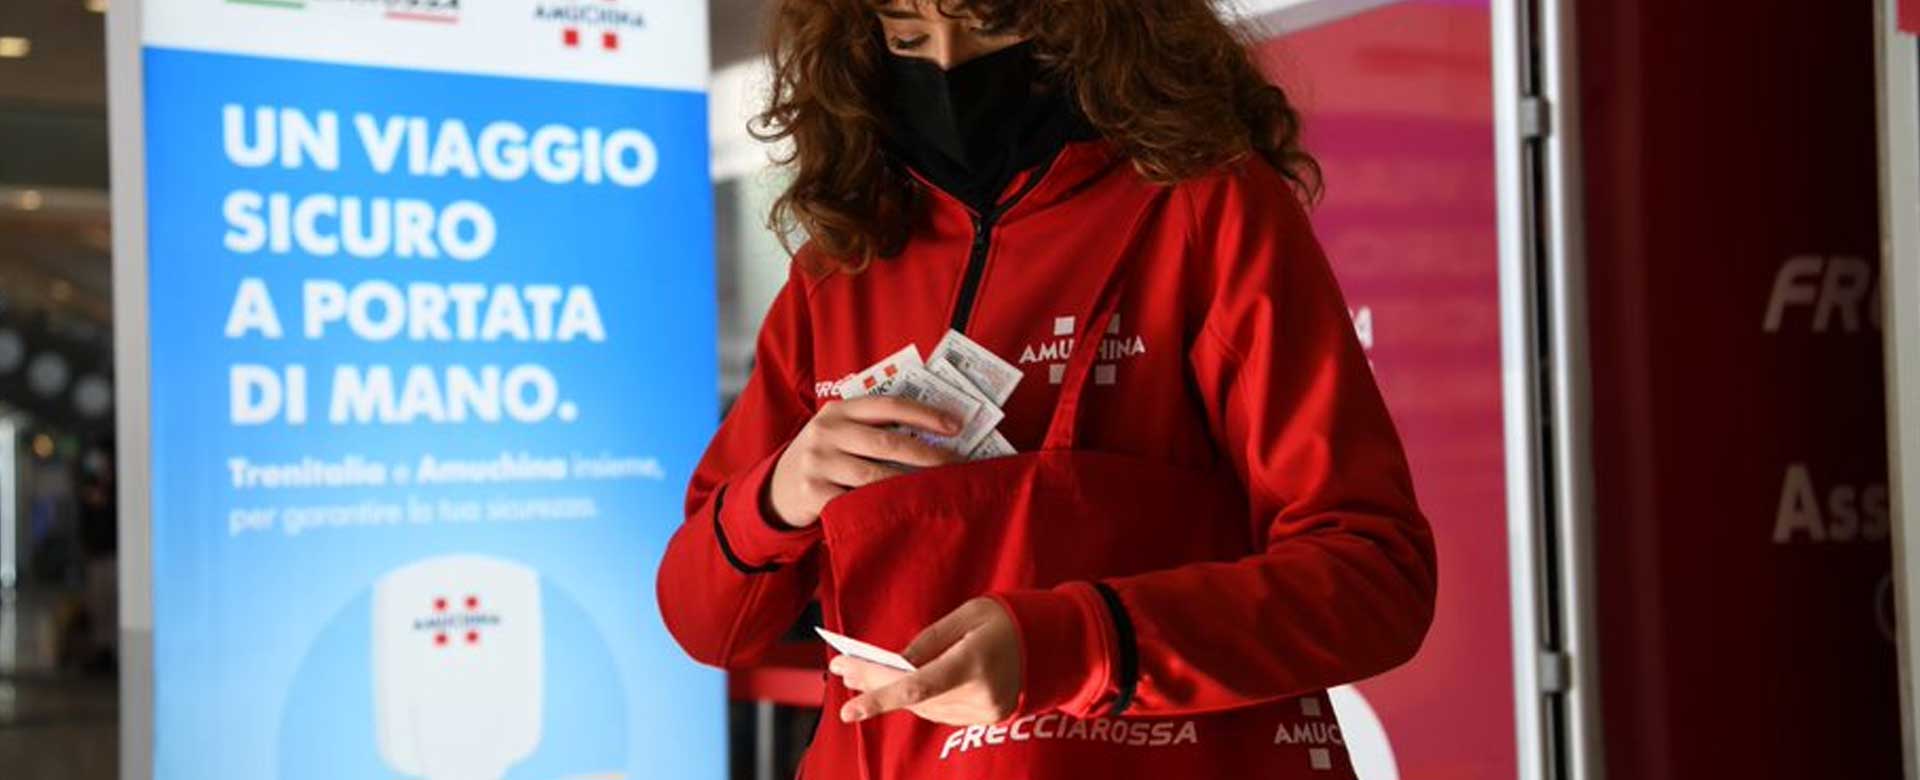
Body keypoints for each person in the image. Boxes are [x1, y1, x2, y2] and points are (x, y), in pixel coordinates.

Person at [657, 1, 1438, 777]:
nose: (950, 64)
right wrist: (777, 498)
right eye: (907, 34)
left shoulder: (1206, 211)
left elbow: (1373, 577)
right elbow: (704, 622)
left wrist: (1075, 645)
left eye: (995, 24)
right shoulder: (838, 270)